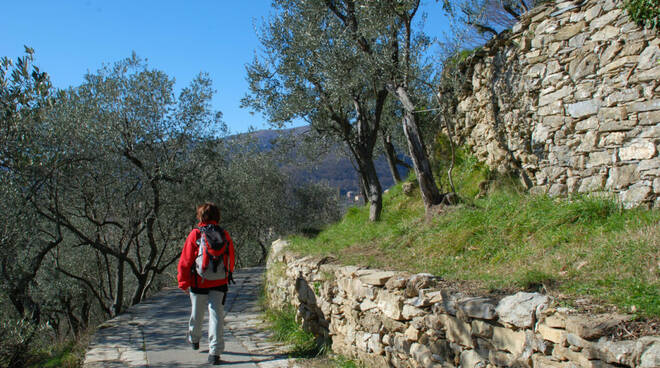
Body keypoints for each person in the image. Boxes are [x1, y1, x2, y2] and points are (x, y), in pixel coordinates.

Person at [177, 202, 235, 365]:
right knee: (216, 315)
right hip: (219, 282)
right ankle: (214, 353)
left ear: (201, 216)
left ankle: (194, 339)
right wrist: (227, 273)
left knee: (197, 313)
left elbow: (186, 260)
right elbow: (231, 257)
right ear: (217, 216)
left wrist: (183, 282)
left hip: (199, 282)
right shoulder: (224, 234)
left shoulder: (195, 234)